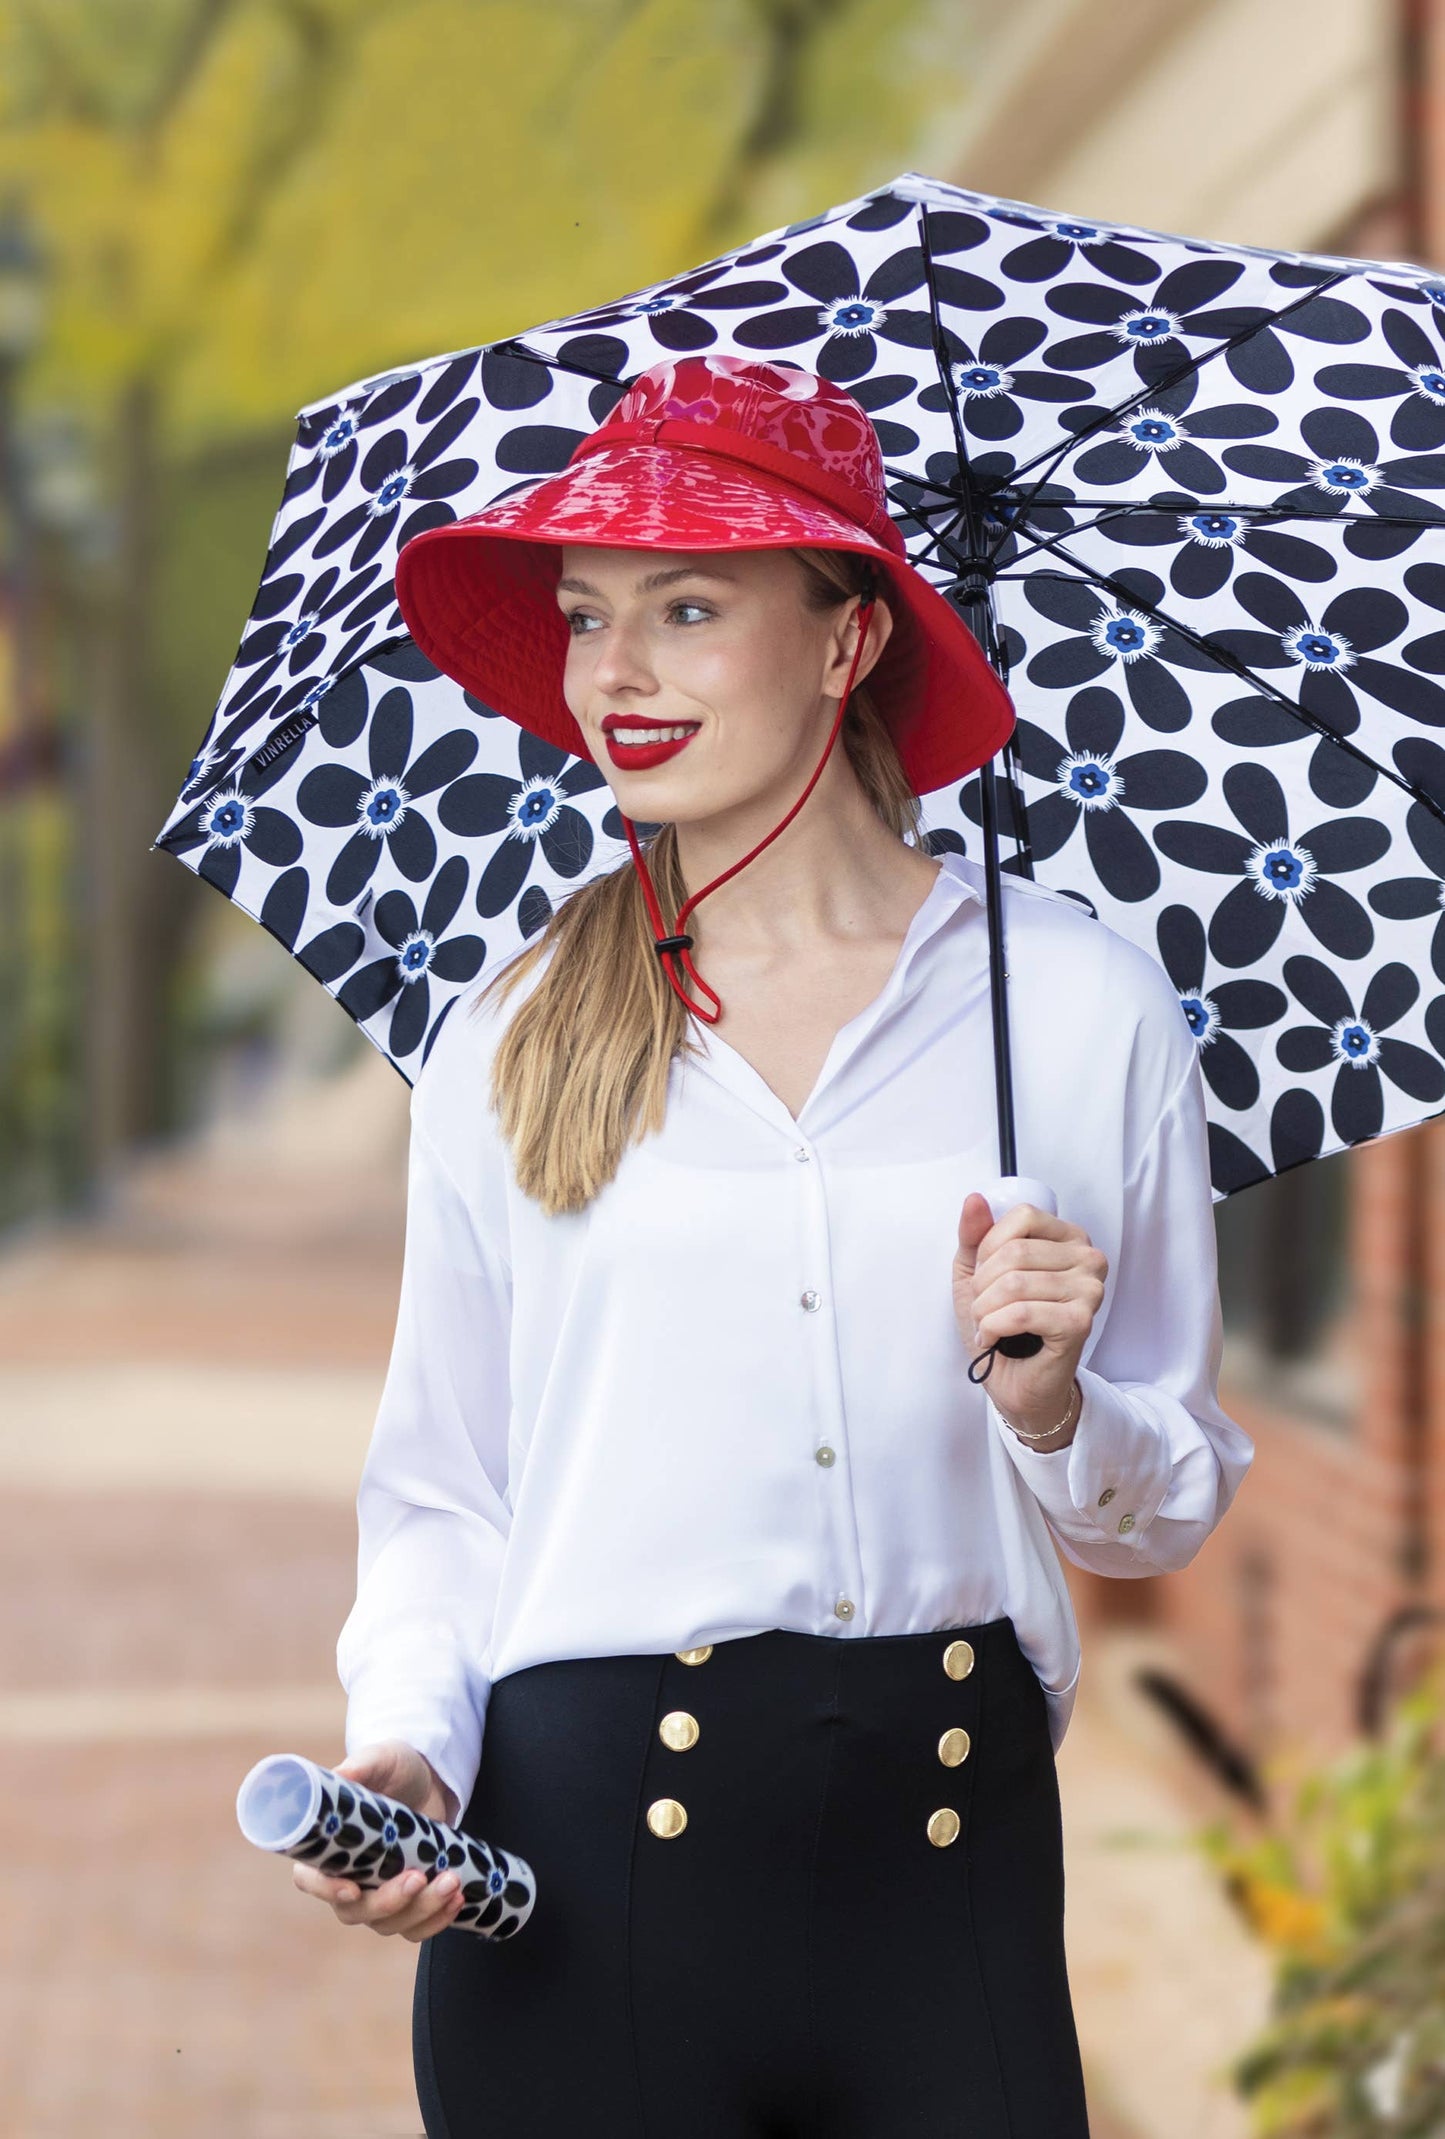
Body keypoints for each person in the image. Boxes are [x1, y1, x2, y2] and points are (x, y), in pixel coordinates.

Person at [288, 354, 1254, 2136]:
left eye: (688, 605)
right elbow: (449, 1492)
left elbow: (1167, 1498)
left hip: (949, 1879)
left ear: (846, 640)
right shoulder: (505, 1039)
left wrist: (1053, 1412)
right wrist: (410, 1747)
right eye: (587, 614)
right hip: (582, 1883)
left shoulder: (1075, 1011)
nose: (617, 673)